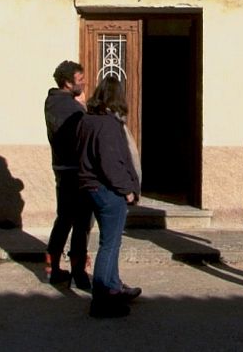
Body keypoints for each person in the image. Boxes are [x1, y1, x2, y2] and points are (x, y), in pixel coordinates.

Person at [77, 76, 142, 318]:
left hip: (91, 188)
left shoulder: (87, 120)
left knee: (112, 242)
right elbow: (111, 162)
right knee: (109, 244)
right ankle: (101, 300)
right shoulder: (108, 125)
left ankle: (114, 288)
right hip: (107, 191)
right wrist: (126, 189)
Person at [44, 60, 94, 288]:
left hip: (62, 169)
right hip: (76, 171)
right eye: (80, 80)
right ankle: (79, 272)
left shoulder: (52, 101)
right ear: (67, 82)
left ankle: (53, 267)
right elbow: (84, 135)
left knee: (64, 218)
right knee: (81, 221)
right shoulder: (71, 108)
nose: (84, 83)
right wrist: (84, 109)